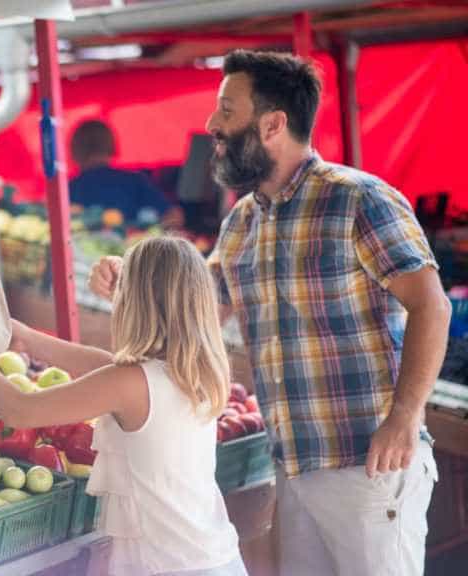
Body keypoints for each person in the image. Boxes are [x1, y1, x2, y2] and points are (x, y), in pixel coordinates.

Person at [89, 50, 451, 576]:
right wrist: (130, 281)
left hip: (369, 463)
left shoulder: (359, 200)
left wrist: (404, 418)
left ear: (273, 123)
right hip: (294, 467)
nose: (212, 125)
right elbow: (198, 313)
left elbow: (431, 305)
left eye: (226, 111)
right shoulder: (241, 223)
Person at [0, 237, 247, 576]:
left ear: (135, 304)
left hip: (173, 568)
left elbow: (21, 411)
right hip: (211, 559)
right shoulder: (199, 373)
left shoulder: (131, 383)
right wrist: (25, 337)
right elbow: (107, 367)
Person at [69, 119, 185, 229]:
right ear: (111, 145)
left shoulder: (67, 189)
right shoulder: (135, 181)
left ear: (75, 150)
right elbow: (175, 216)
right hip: (134, 247)